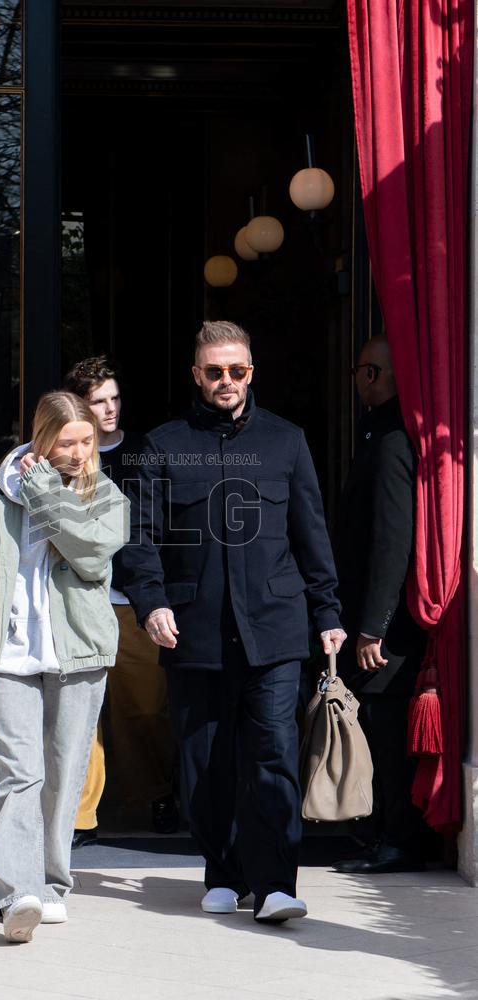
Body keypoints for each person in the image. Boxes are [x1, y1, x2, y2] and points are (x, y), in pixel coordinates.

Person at [121, 320, 346, 923]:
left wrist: (327, 610)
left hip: (275, 629)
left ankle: (275, 883)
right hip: (192, 631)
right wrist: (152, 602)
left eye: (237, 370)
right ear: (197, 375)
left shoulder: (287, 441)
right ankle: (222, 870)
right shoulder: (162, 446)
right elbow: (138, 539)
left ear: (252, 372)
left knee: (272, 754)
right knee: (205, 761)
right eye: (214, 371)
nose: (226, 381)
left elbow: (311, 533)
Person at [0, 391, 130, 942]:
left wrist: (45, 489)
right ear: (42, 439)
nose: (78, 453)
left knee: (66, 774)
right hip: (12, 656)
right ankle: (14, 895)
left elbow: (90, 552)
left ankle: (51, 884)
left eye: (87, 441)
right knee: (19, 776)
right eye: (66, 442)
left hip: (81, 655)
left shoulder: (106, 494)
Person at [63, 357, 178, 846]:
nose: (110, 409)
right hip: (77, 599)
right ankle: (81, 817)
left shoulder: (144, 452)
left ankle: (157, 796)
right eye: (98, 402)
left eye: (114, 398)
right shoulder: (62, 456)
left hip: (132, 601)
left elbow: (157, 529)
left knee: (144, 708)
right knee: (81, 714)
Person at [332, 335, 428, 874]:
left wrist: (374, 627)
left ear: (372, 375)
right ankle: (380, 833)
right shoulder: (378, 430)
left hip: (384, 631)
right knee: (374, 726)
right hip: (371, 621)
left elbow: (394, 539)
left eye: (358, 371)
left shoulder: (392, 439)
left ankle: (398, 839)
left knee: (387, 735)